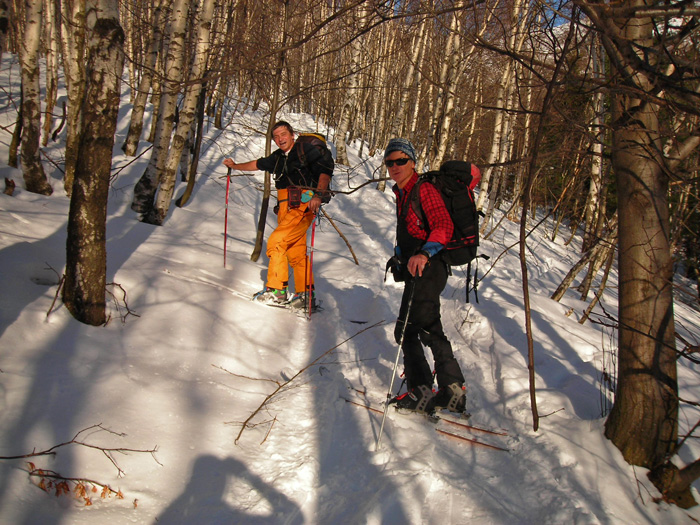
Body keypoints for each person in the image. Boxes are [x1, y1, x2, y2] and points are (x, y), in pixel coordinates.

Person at [384, 138, 467, 414]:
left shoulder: (424, 189)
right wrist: (401, 255)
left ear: (412, 162)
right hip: (420, 268)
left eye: (400, 161)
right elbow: (410, 230)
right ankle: (452, 390)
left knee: (406, 328)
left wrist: (425, 253)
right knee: (430, 327)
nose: (394, 166)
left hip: (429, 267)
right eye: (390, 162)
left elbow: (443, 225)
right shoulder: (403, 192)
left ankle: (420, 392)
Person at [223, 121, 333, 311]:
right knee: (296, 252)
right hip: (284, 208)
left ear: (293, 135)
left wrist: (318, 195)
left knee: (276, 242)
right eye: (276, 136)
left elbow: (325, 172)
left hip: (302, 205)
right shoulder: (278, 158)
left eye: (283, 134)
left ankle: (276, 291)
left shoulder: (305, 151)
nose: (280, 138)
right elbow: (257, 164)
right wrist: (235, 166)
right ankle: (305, 296)